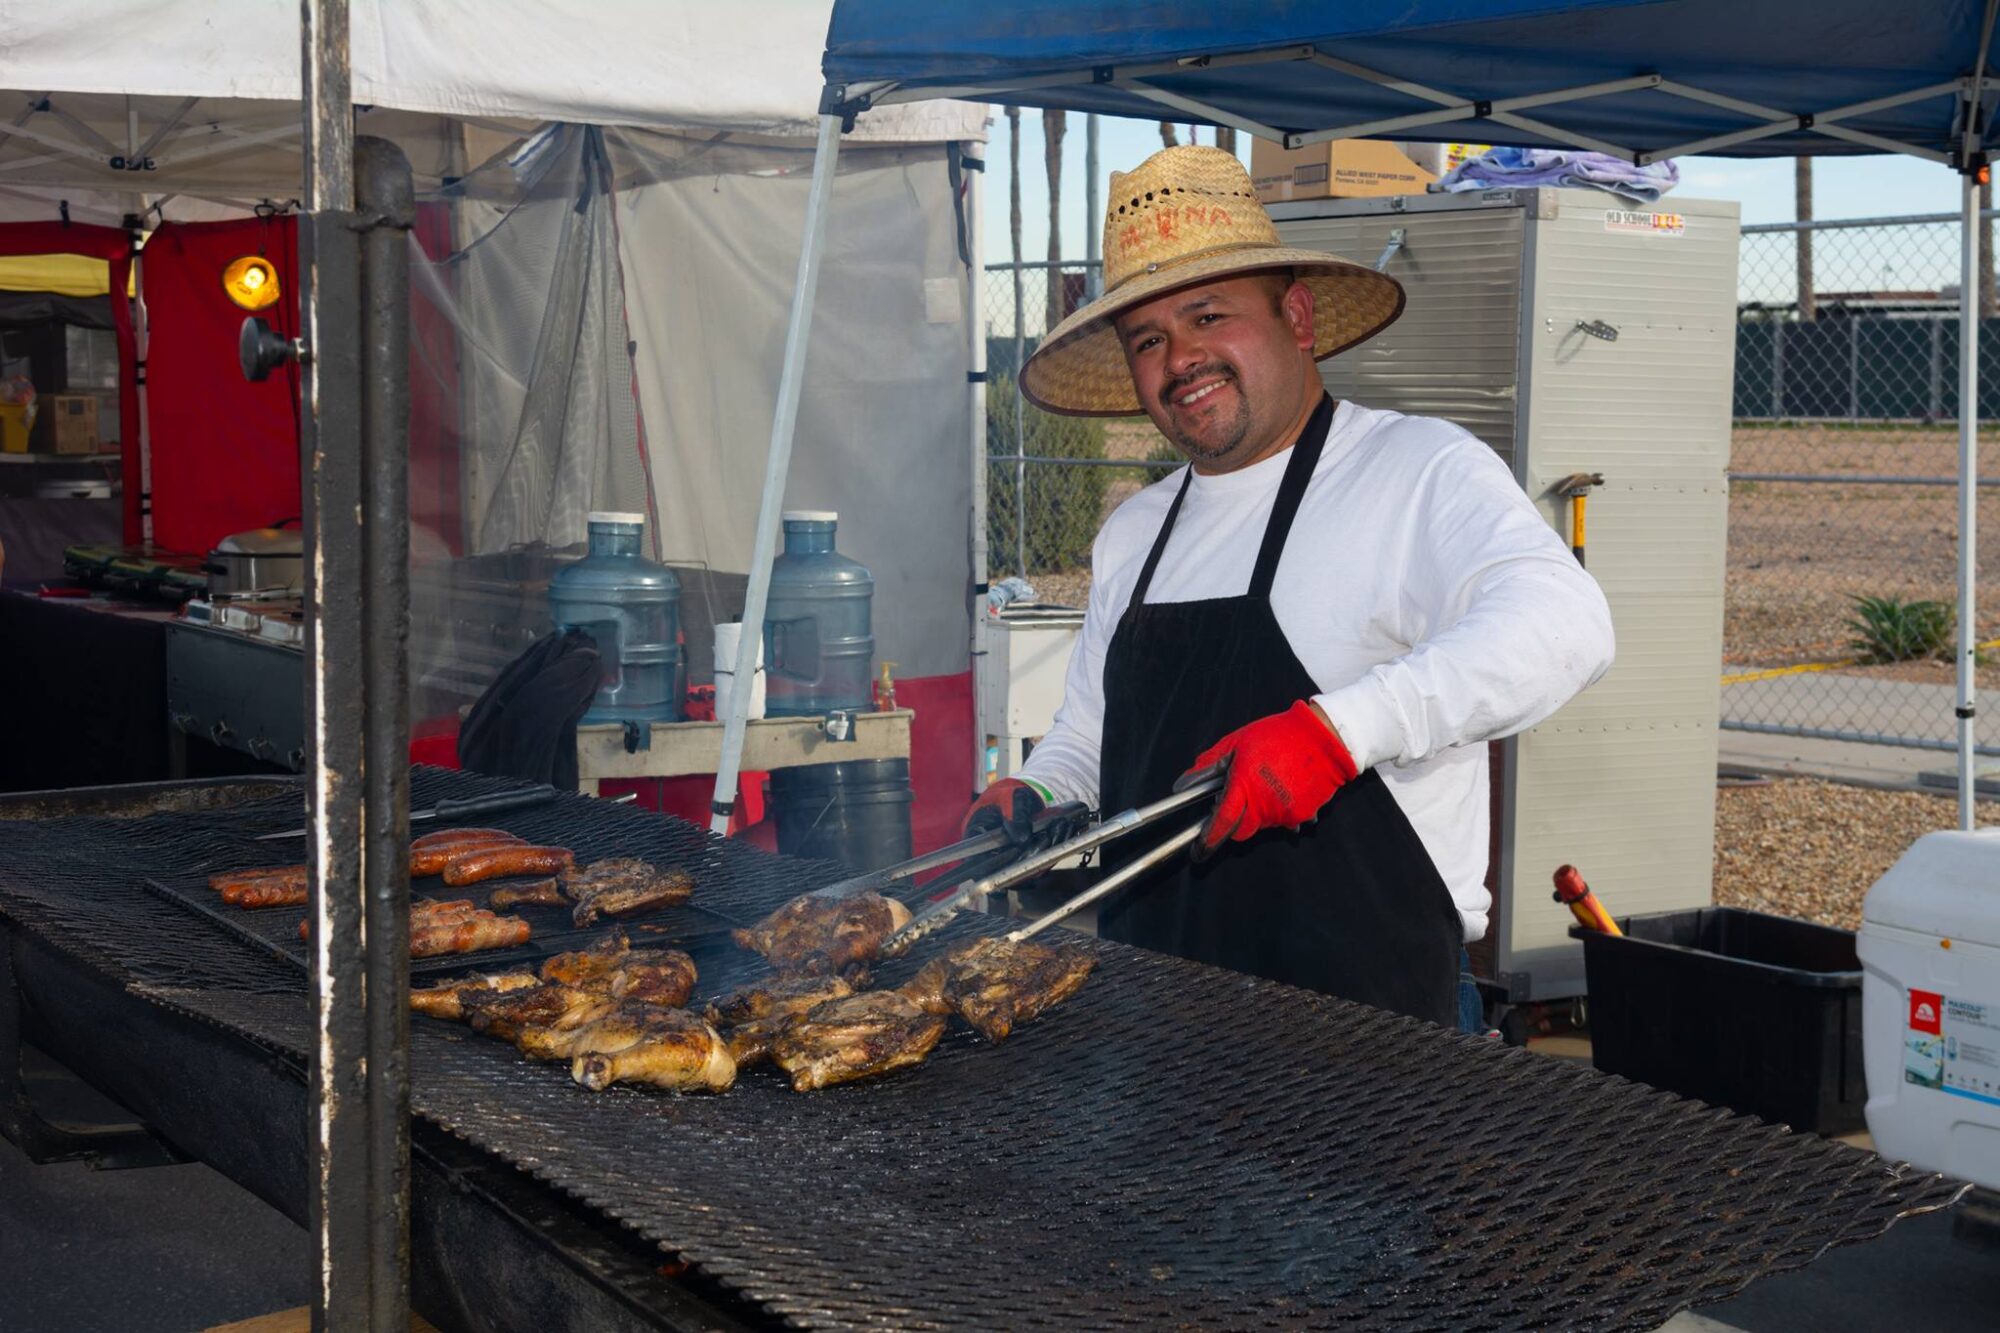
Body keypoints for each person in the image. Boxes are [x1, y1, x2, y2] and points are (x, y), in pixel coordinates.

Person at [964, 146, 1615, 1027]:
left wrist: (1338, 735)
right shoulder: (1134, 532)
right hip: (1154, 1024)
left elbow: (1568, 623)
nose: (1180, 358)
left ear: (1298, 316)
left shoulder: (1416, 471)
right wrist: (1038, 793)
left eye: (1208, 316)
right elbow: (1093, 730)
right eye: (1148, 339)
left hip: (1368, 1033)